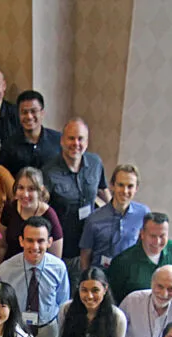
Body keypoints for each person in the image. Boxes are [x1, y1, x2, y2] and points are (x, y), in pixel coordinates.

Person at [42, 118, 111, 283]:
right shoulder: (48, 171)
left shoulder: (95, 163)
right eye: (71, 138)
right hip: (65, 246)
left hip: (91, 242)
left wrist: (117, 213)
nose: (76, 143)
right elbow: (43, 208)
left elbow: (103, 191)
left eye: (80, 139)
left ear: (86, 142)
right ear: (62, 140)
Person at [108, 213, 172, 316]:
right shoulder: (122, 262)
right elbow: (112, 300)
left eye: (162, 236)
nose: (157, 241)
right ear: (142, 234)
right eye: (153, 236)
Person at [0, 216, 69, 337]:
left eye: (41, 241)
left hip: (48, 330)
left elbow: (62, 302)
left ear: (50, 242)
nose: (35, 247)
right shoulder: (5, 270)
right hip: (16, 329)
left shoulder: (59, 268)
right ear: (21, 241)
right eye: (29, 240)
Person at [81, 164, 148, 271]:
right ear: (112, 186)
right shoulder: (94, 218)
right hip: (101, 276)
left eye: (130, 186)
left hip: (128, 275)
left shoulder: (143, 214)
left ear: (136, 188)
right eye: (120, 185)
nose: (125, 191)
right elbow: (85, 254)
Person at [0, 166, 63, 262]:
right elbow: (2, 246)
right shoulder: (9, 209)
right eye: (21, 188)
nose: (25, 194)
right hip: (12, 268)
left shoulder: (50, 216)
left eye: (31, 189)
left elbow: (56, 259)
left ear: (40, 190)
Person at [0, 90, 61, 177]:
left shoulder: (58, 140)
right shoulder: (9, 145)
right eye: (24, 112)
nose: (29, 116)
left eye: (33, 111)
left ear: (42, 113)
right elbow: (4, 177)